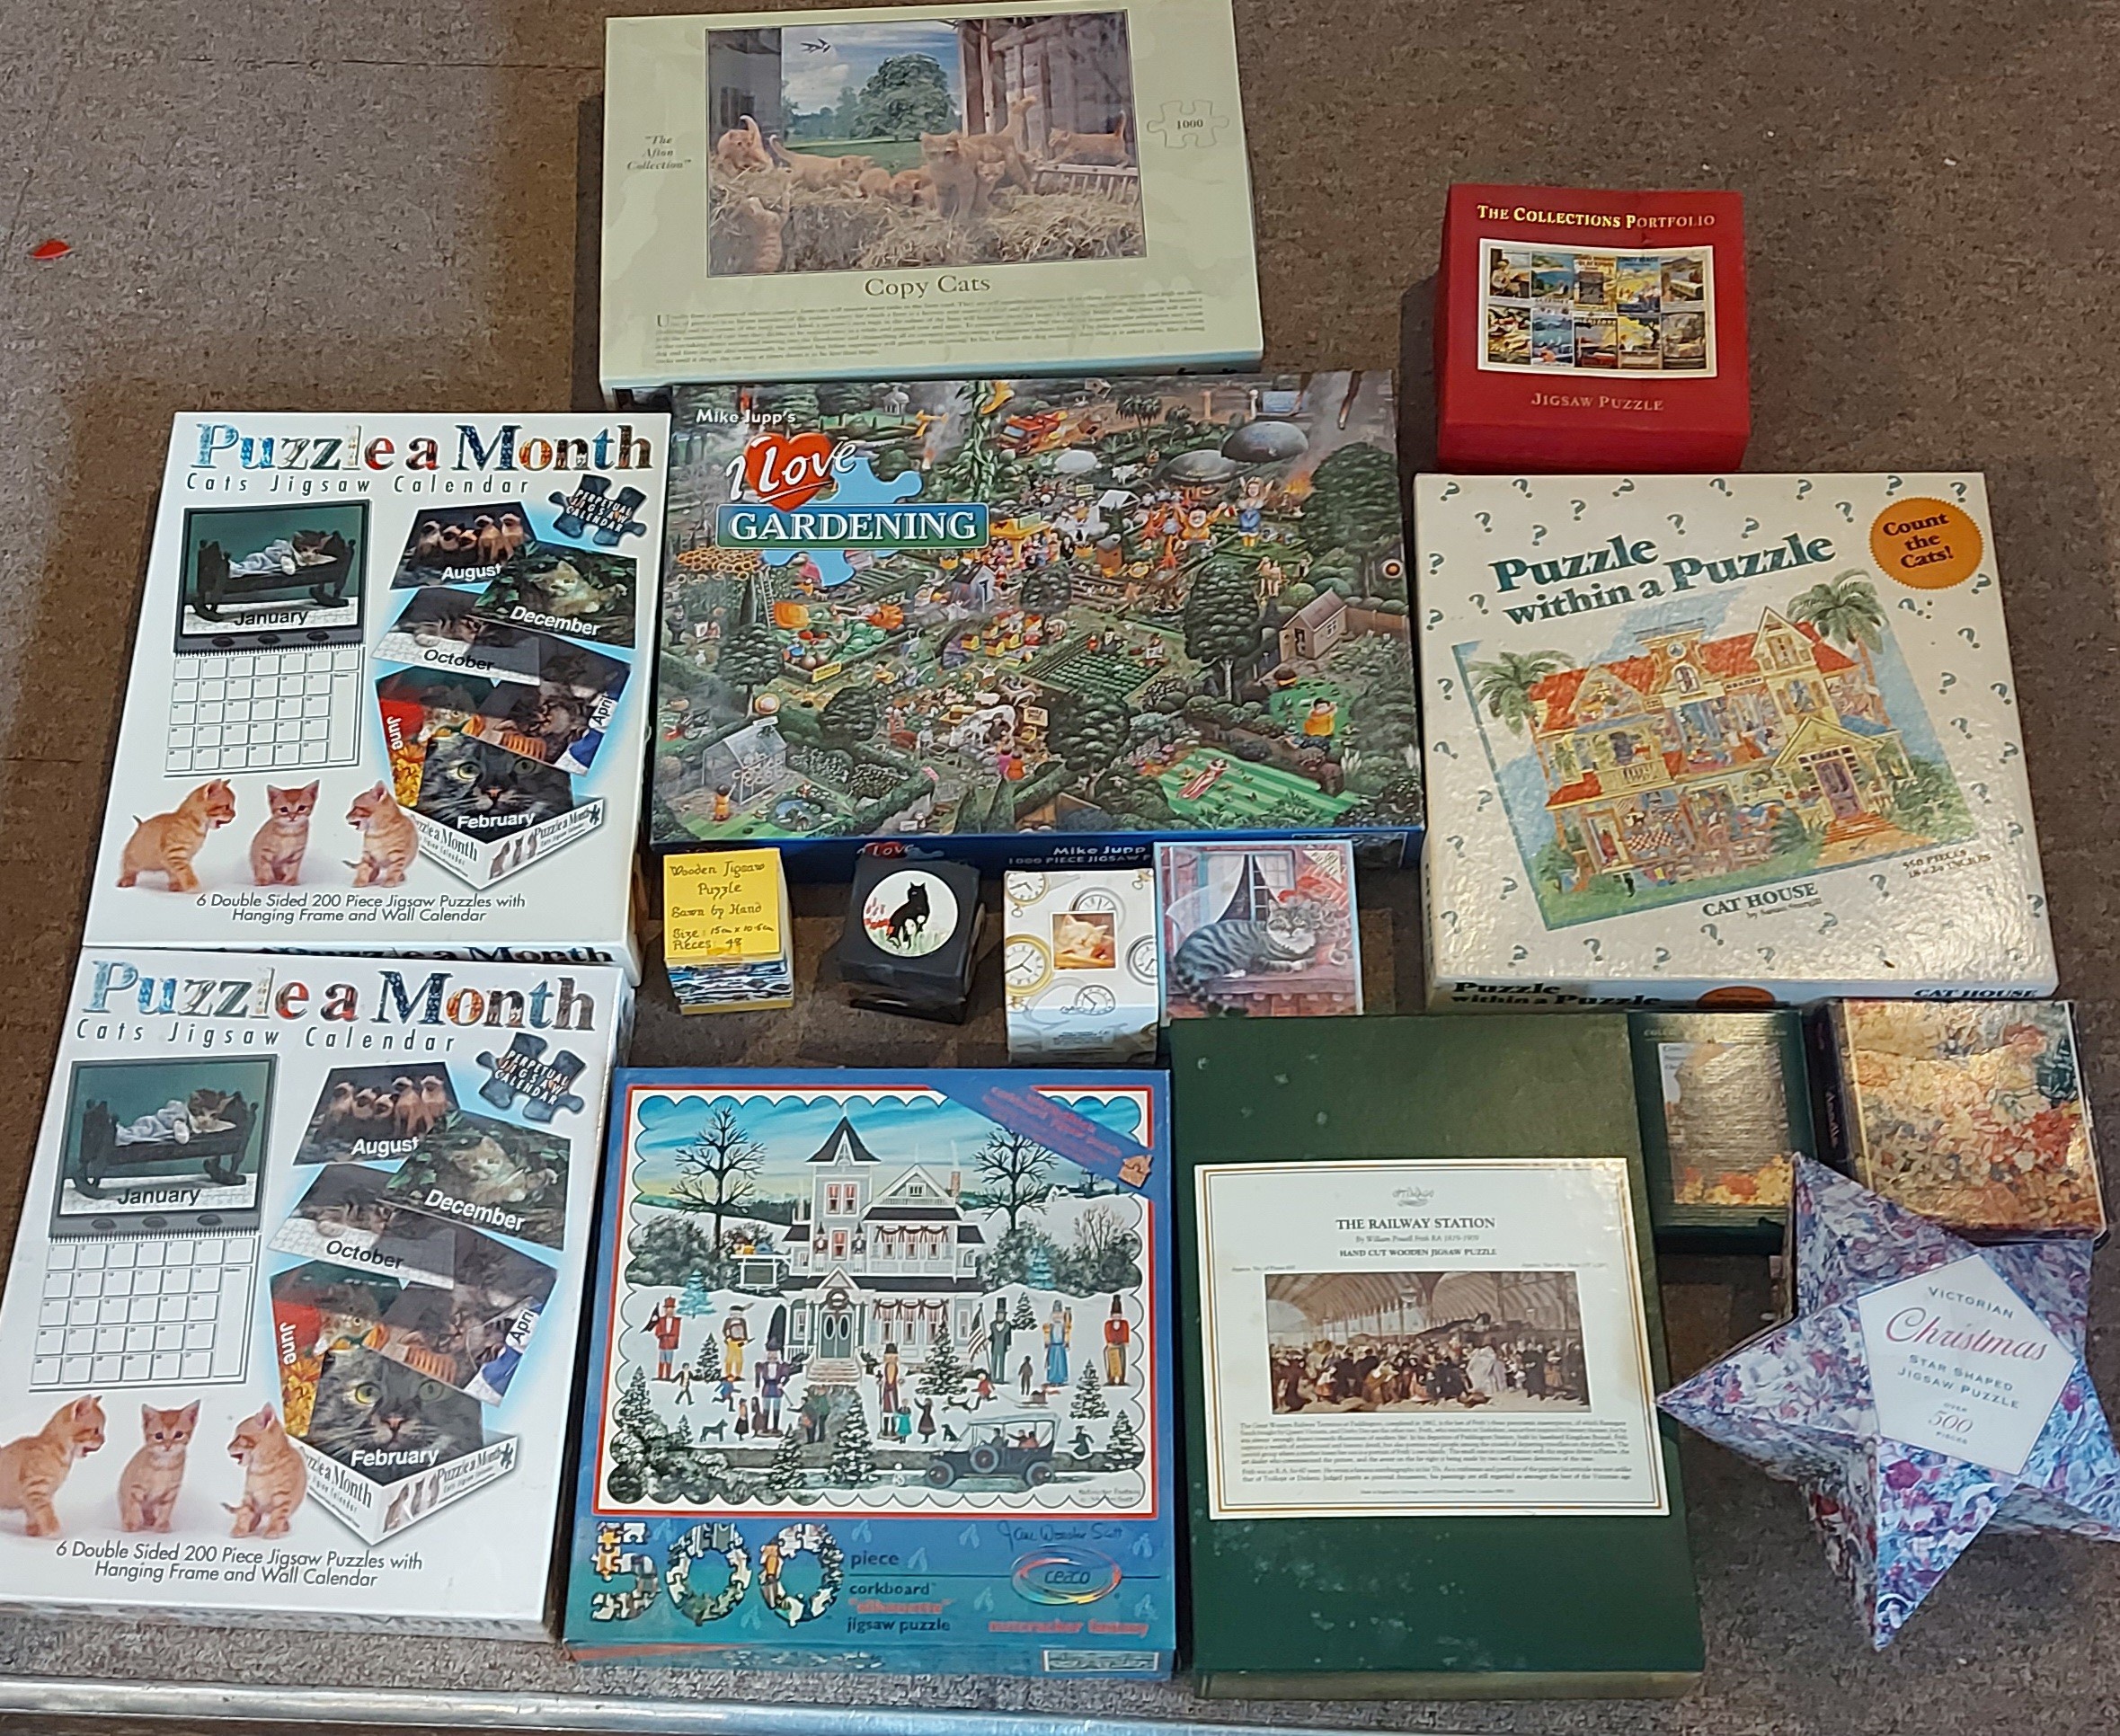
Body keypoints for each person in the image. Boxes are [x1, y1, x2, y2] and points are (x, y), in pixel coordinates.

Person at [651, 1296, 683, 1380]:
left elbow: (676, 1333)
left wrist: (671, 1339)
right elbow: (657, 1332)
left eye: (671, 1310)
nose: (669, 1311)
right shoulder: (661, 1320)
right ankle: (660, 1376)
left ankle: (668, 1376)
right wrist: (663, 1335)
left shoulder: (677, 1321)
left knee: (669, 1360)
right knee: (662, 1360)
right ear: (665, 1310)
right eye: (668, 1309)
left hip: (671, 1344)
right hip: (663, 1343)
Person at [1103, 1295, 1131, 1386]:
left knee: (1122, 1362)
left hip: (1121, 1345)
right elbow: (1107, 1333)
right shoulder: (1108, 1324)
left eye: (1118, 1315)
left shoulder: (1124, 1323)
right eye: (1115, 1315)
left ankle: (1121, 1379)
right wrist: (1109, 1342)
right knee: (1112, 1362)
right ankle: (1111, 1379)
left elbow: (1126, 1332)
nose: (1116, 1317)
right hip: (1112, 1345)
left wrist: (1126, 1341)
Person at [1044, 1301, 1072, 1389]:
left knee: (1061, 1363)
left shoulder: (1063, 1326)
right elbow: (1047, 1334)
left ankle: (1061, 1378)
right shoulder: (1050, 1326)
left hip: (1060, 1346)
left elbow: (1067, 1330)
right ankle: (1052, 1379)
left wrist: (1066, 1342)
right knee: (1052, 1363)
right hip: (1053, 1346)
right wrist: (1047, 1343)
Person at [986, 1298, 1012, 1385]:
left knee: (1001, 1361)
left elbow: (1008, 1335)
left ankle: (1001, 1378)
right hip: (995, 1345)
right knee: (994, 1360)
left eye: (1002, 1315)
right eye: (999, 1315)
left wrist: (1009, 1344)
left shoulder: (1007, 1325)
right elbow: (993, 1335)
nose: (1000, 1316)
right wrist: (988, 1340)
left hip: (1002, 1345)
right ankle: (993, 1377)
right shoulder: (993, 1325)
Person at [723, 1308, 750, 1381]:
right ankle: (728, 1374)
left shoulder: (742, 1321)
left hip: (740, 1341)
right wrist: (727, 1337)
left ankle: (738, 1374)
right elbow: (725, 1330)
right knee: (729, 1358)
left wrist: (745, 1339)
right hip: (731, 1342)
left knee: (739, 1359)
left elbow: (745, 1331)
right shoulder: (728, 1321)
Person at [880, 1342, 901, 1416]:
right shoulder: (883, 1367)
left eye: (893, 1357)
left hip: (894, 1386)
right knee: (886, 1401)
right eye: (889, 1357)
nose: (891, 1359)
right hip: (886, 1387)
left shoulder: (898, 1367)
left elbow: (901, 1375)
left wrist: (901, 1380)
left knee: (893, 1401)